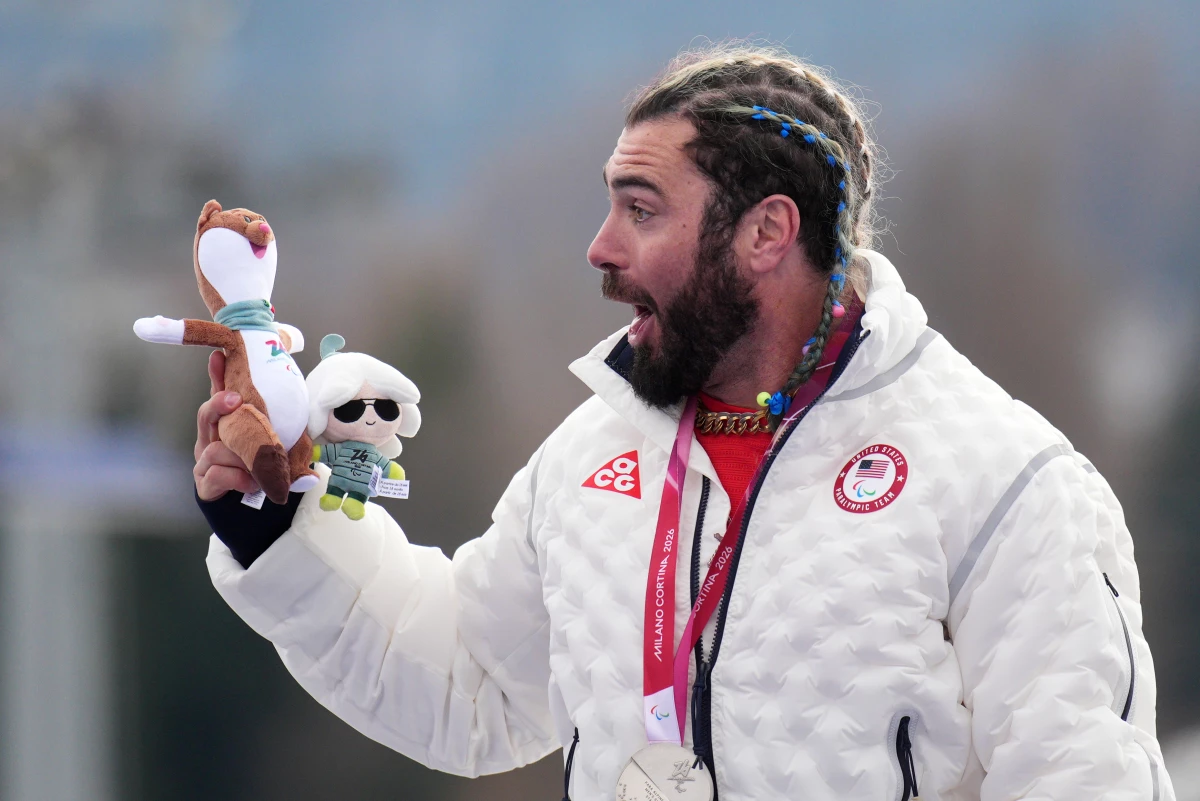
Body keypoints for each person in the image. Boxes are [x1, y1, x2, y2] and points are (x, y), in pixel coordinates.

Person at [193, 44, 1175, 800]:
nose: (600, 247)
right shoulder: (592, 459)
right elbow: (470, 680)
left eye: (643, 209)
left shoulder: (1001, 480)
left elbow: (1081, 776)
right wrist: (277, 526)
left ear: (766, 233)